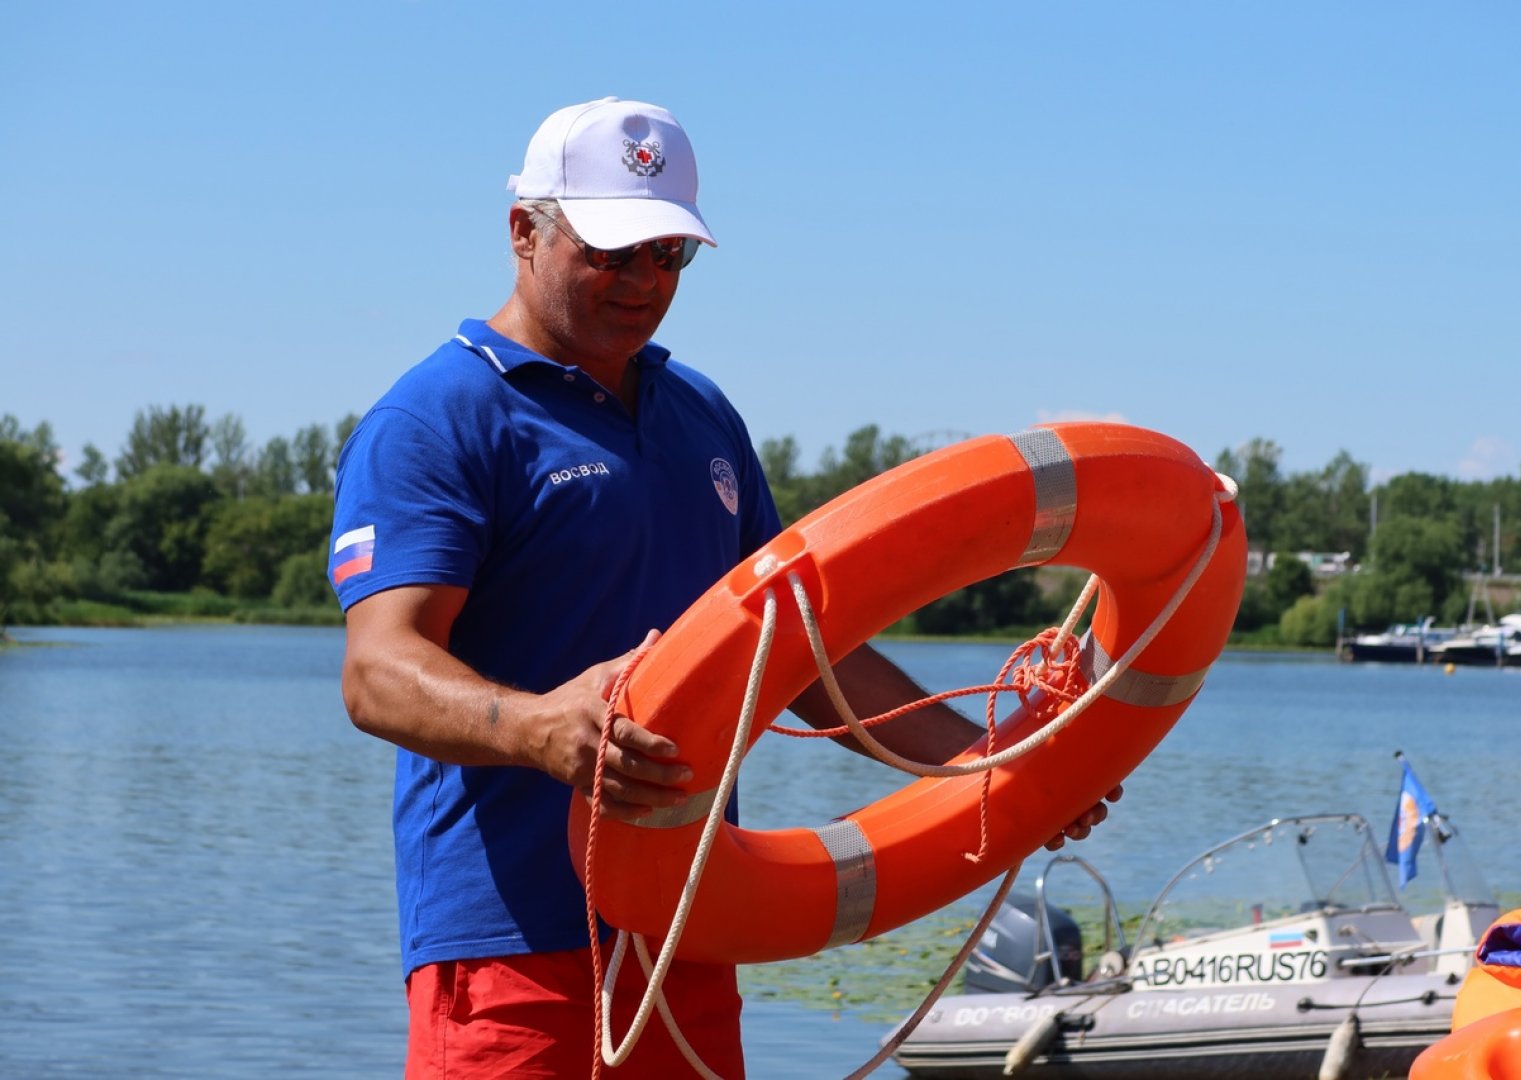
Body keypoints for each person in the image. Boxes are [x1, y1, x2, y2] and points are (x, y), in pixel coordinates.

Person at [330, 96, 1119, 1079]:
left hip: (685, 936)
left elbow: (803, 656)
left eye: (668, 254)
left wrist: (998, 768)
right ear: (524, 230)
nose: (643, 281)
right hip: (509, 947)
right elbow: (377, 670)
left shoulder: (702, 416)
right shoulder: (437, 418)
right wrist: (536, 728)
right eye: (611, 252)